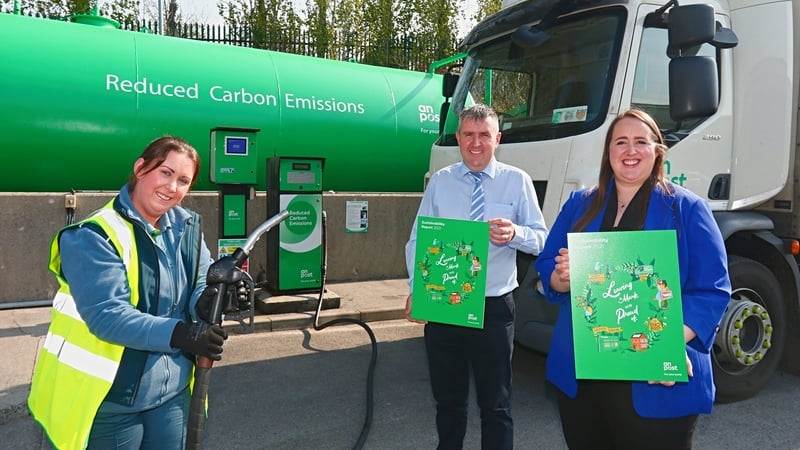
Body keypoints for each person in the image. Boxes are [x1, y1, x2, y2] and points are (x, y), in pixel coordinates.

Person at [534, 109, 731, 449]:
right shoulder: (580, 204)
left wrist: (668, 344)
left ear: (658, 150)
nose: (630, 150)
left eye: (641, 141)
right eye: (620, 142)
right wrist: (561, 278)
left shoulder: (688, 208)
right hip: (584, 379)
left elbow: (712, 290)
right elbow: (547, 263)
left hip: (654, 383)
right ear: (608, 152)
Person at [28, 136, 232, 450]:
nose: (171, 187)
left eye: (183, 180)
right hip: (110, 401)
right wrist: (182, 334)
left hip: (172, 394)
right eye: (165, 173)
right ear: (140, 168)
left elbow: (200, 282)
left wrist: (210, 300)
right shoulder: (92, 236)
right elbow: (108, 316)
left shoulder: (187, 227)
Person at [404, 104, 549, 449]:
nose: (476, 142)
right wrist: (416, 289)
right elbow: (418, 241)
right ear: (458, 138)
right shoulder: (440, 182)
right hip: (444, 306)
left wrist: (515, 232)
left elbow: (541, 238)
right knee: (448, 401)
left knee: (495, 404)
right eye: (468, 134)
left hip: (494, 307)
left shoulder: (517, 182)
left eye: (484, 135)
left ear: (497, 138)